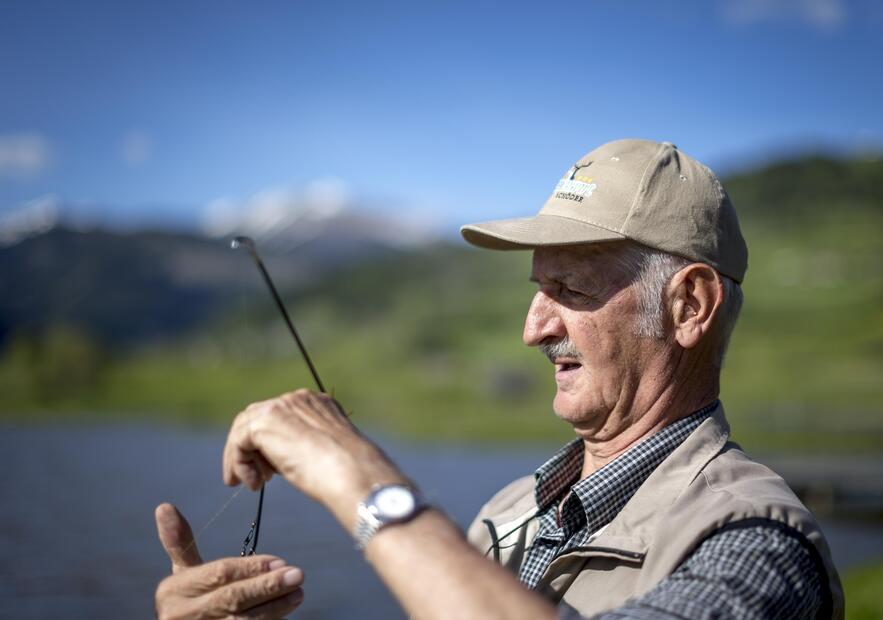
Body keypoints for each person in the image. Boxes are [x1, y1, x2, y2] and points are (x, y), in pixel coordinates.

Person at [154, 139, 845, 620]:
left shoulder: (756, 548)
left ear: (687, 306)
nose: (533, 328)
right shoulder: (507, 511)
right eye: (536, 289)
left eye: (570, 288)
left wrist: (361, 480)